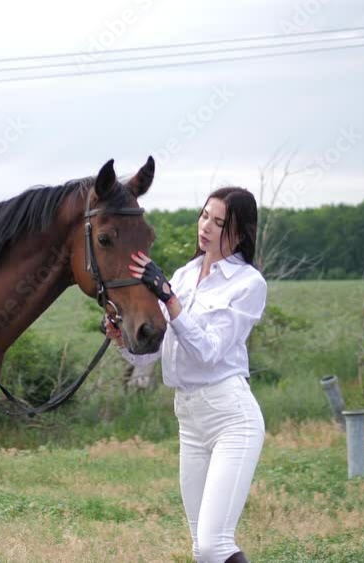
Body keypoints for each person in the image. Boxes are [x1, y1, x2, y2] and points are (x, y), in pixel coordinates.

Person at [106, 187, 267, 563]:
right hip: (189, 419)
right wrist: (122, 341)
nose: (206, 227)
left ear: (239, 234)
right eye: (205, 216)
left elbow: (208, 351)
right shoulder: (184, 274)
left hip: (230, 419)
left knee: (215, 544)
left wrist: (169, 298)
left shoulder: (248, 284)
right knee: (200, 549)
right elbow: (155, 355)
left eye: (220, 223)